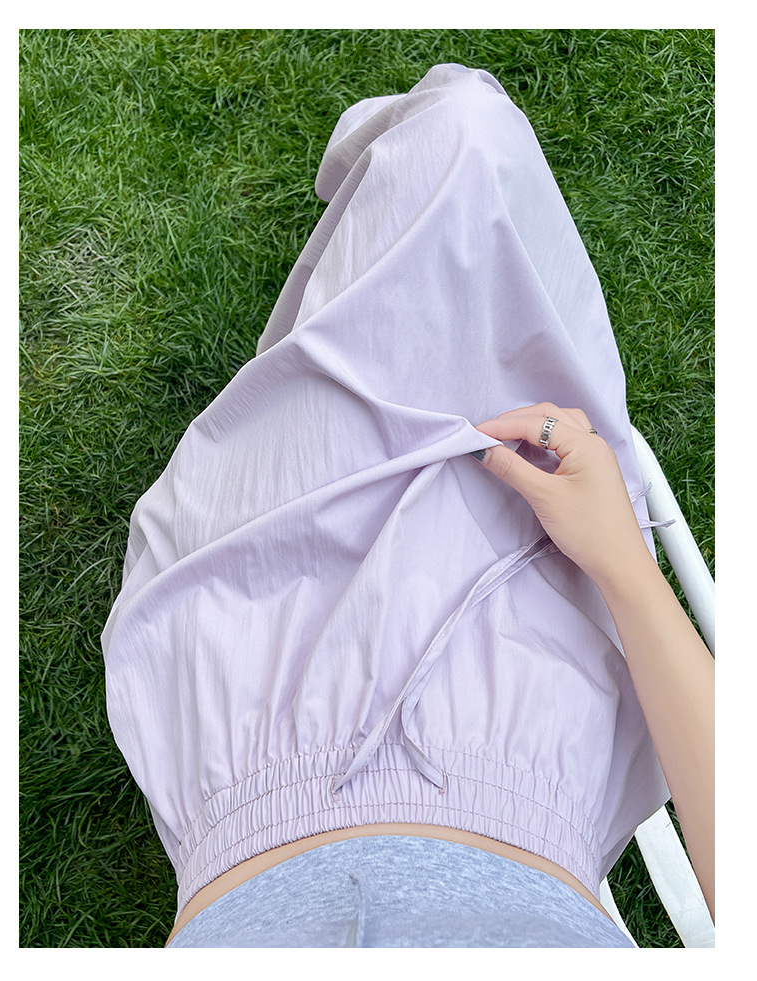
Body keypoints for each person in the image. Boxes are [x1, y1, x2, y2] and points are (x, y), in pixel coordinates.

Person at [101, 63, 713, 948]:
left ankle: (388, 170)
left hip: (251, 696)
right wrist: (622, 562)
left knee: (458, 145)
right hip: (531, 722)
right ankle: (395, 162)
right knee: (468, 137)